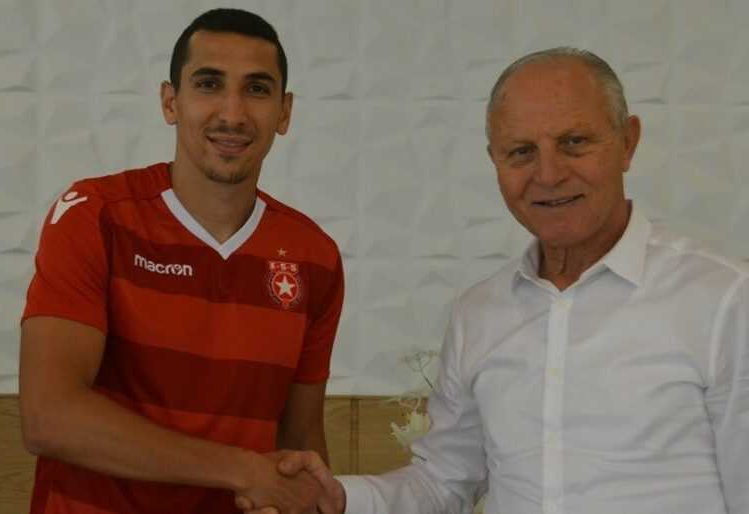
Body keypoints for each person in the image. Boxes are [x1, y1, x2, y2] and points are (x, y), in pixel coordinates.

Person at [256, 47, 749, 514]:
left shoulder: (724, 300)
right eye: (521, 152)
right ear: (495, 160)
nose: (548, 174)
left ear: (628, 142)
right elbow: (443, 482)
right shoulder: (480, 314)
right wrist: (341, 498)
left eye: (574, 142)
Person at [19, 8, 344, 514]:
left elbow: (300, 441)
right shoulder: (95, 215)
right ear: (171, 102)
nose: (233, 114)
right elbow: (49, 417)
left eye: (257, 89)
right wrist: (241, 470)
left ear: (284, 112)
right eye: (209, 84)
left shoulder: (314, 256)